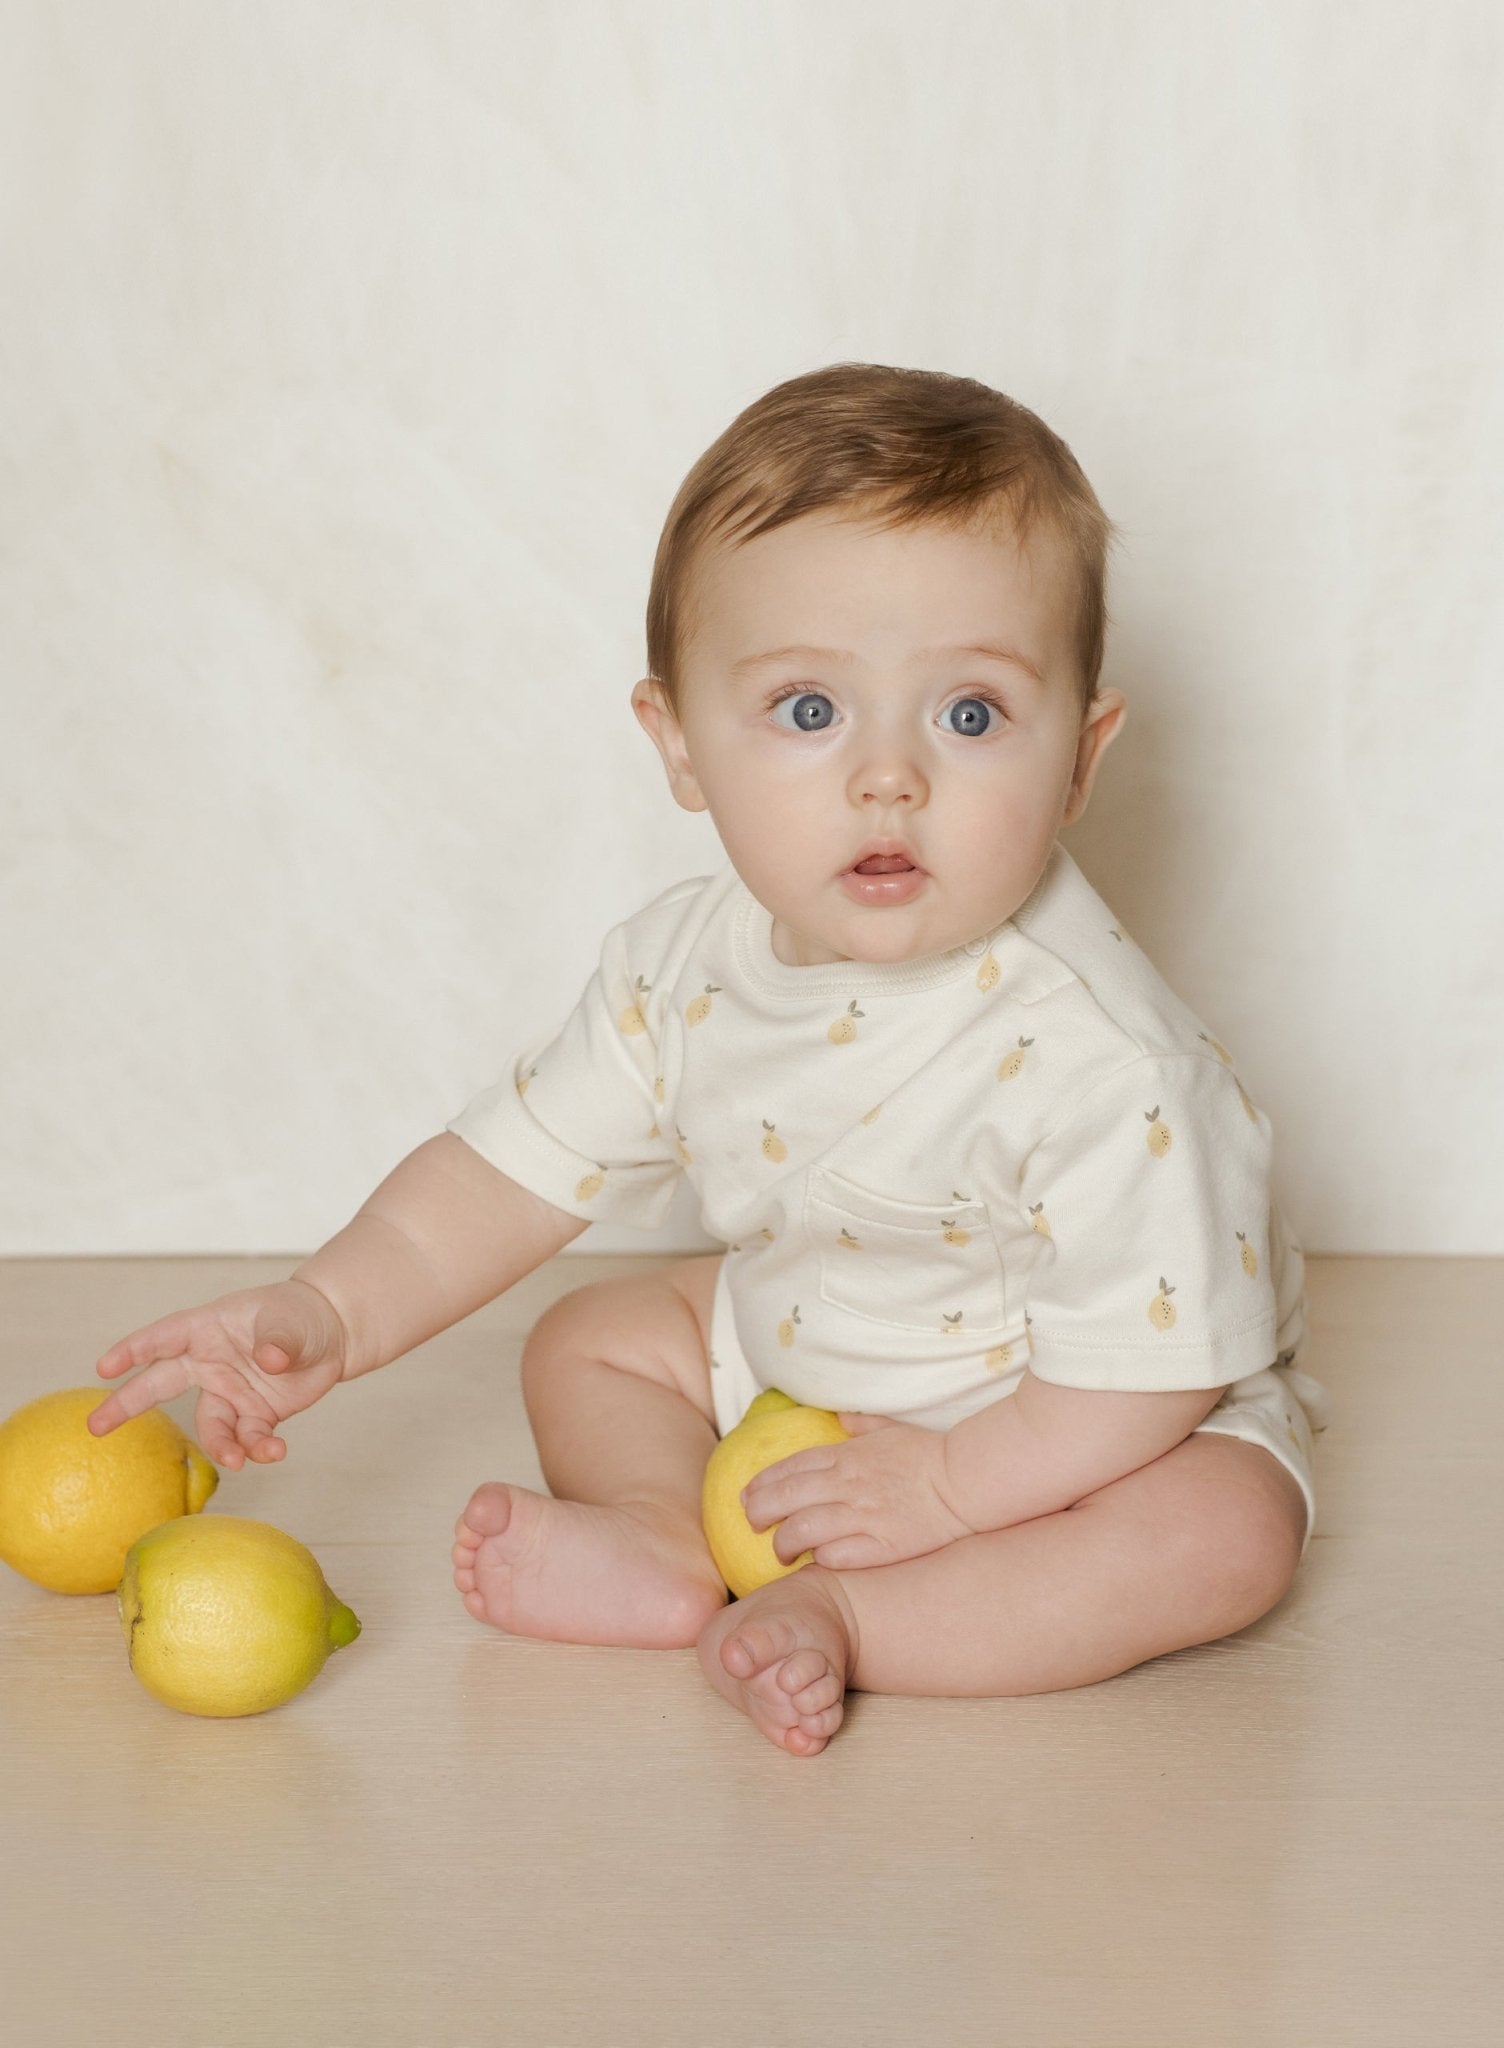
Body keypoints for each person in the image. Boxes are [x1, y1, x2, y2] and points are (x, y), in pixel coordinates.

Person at [88, 362, 1332, 1758]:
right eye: (808, 711)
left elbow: (1146, 1377)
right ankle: (651, 1540)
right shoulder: (683, 967)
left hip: (1064, 1411)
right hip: (808, 1337)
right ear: (676, 742)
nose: (886, 777)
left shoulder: (1107, 1063)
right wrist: (329, 1310)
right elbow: (503, 1176)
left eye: (969, 715)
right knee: (593, 1339)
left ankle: (862, 1626)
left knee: (1222, 1535)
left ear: (1079, 757)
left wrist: (952, 1489)